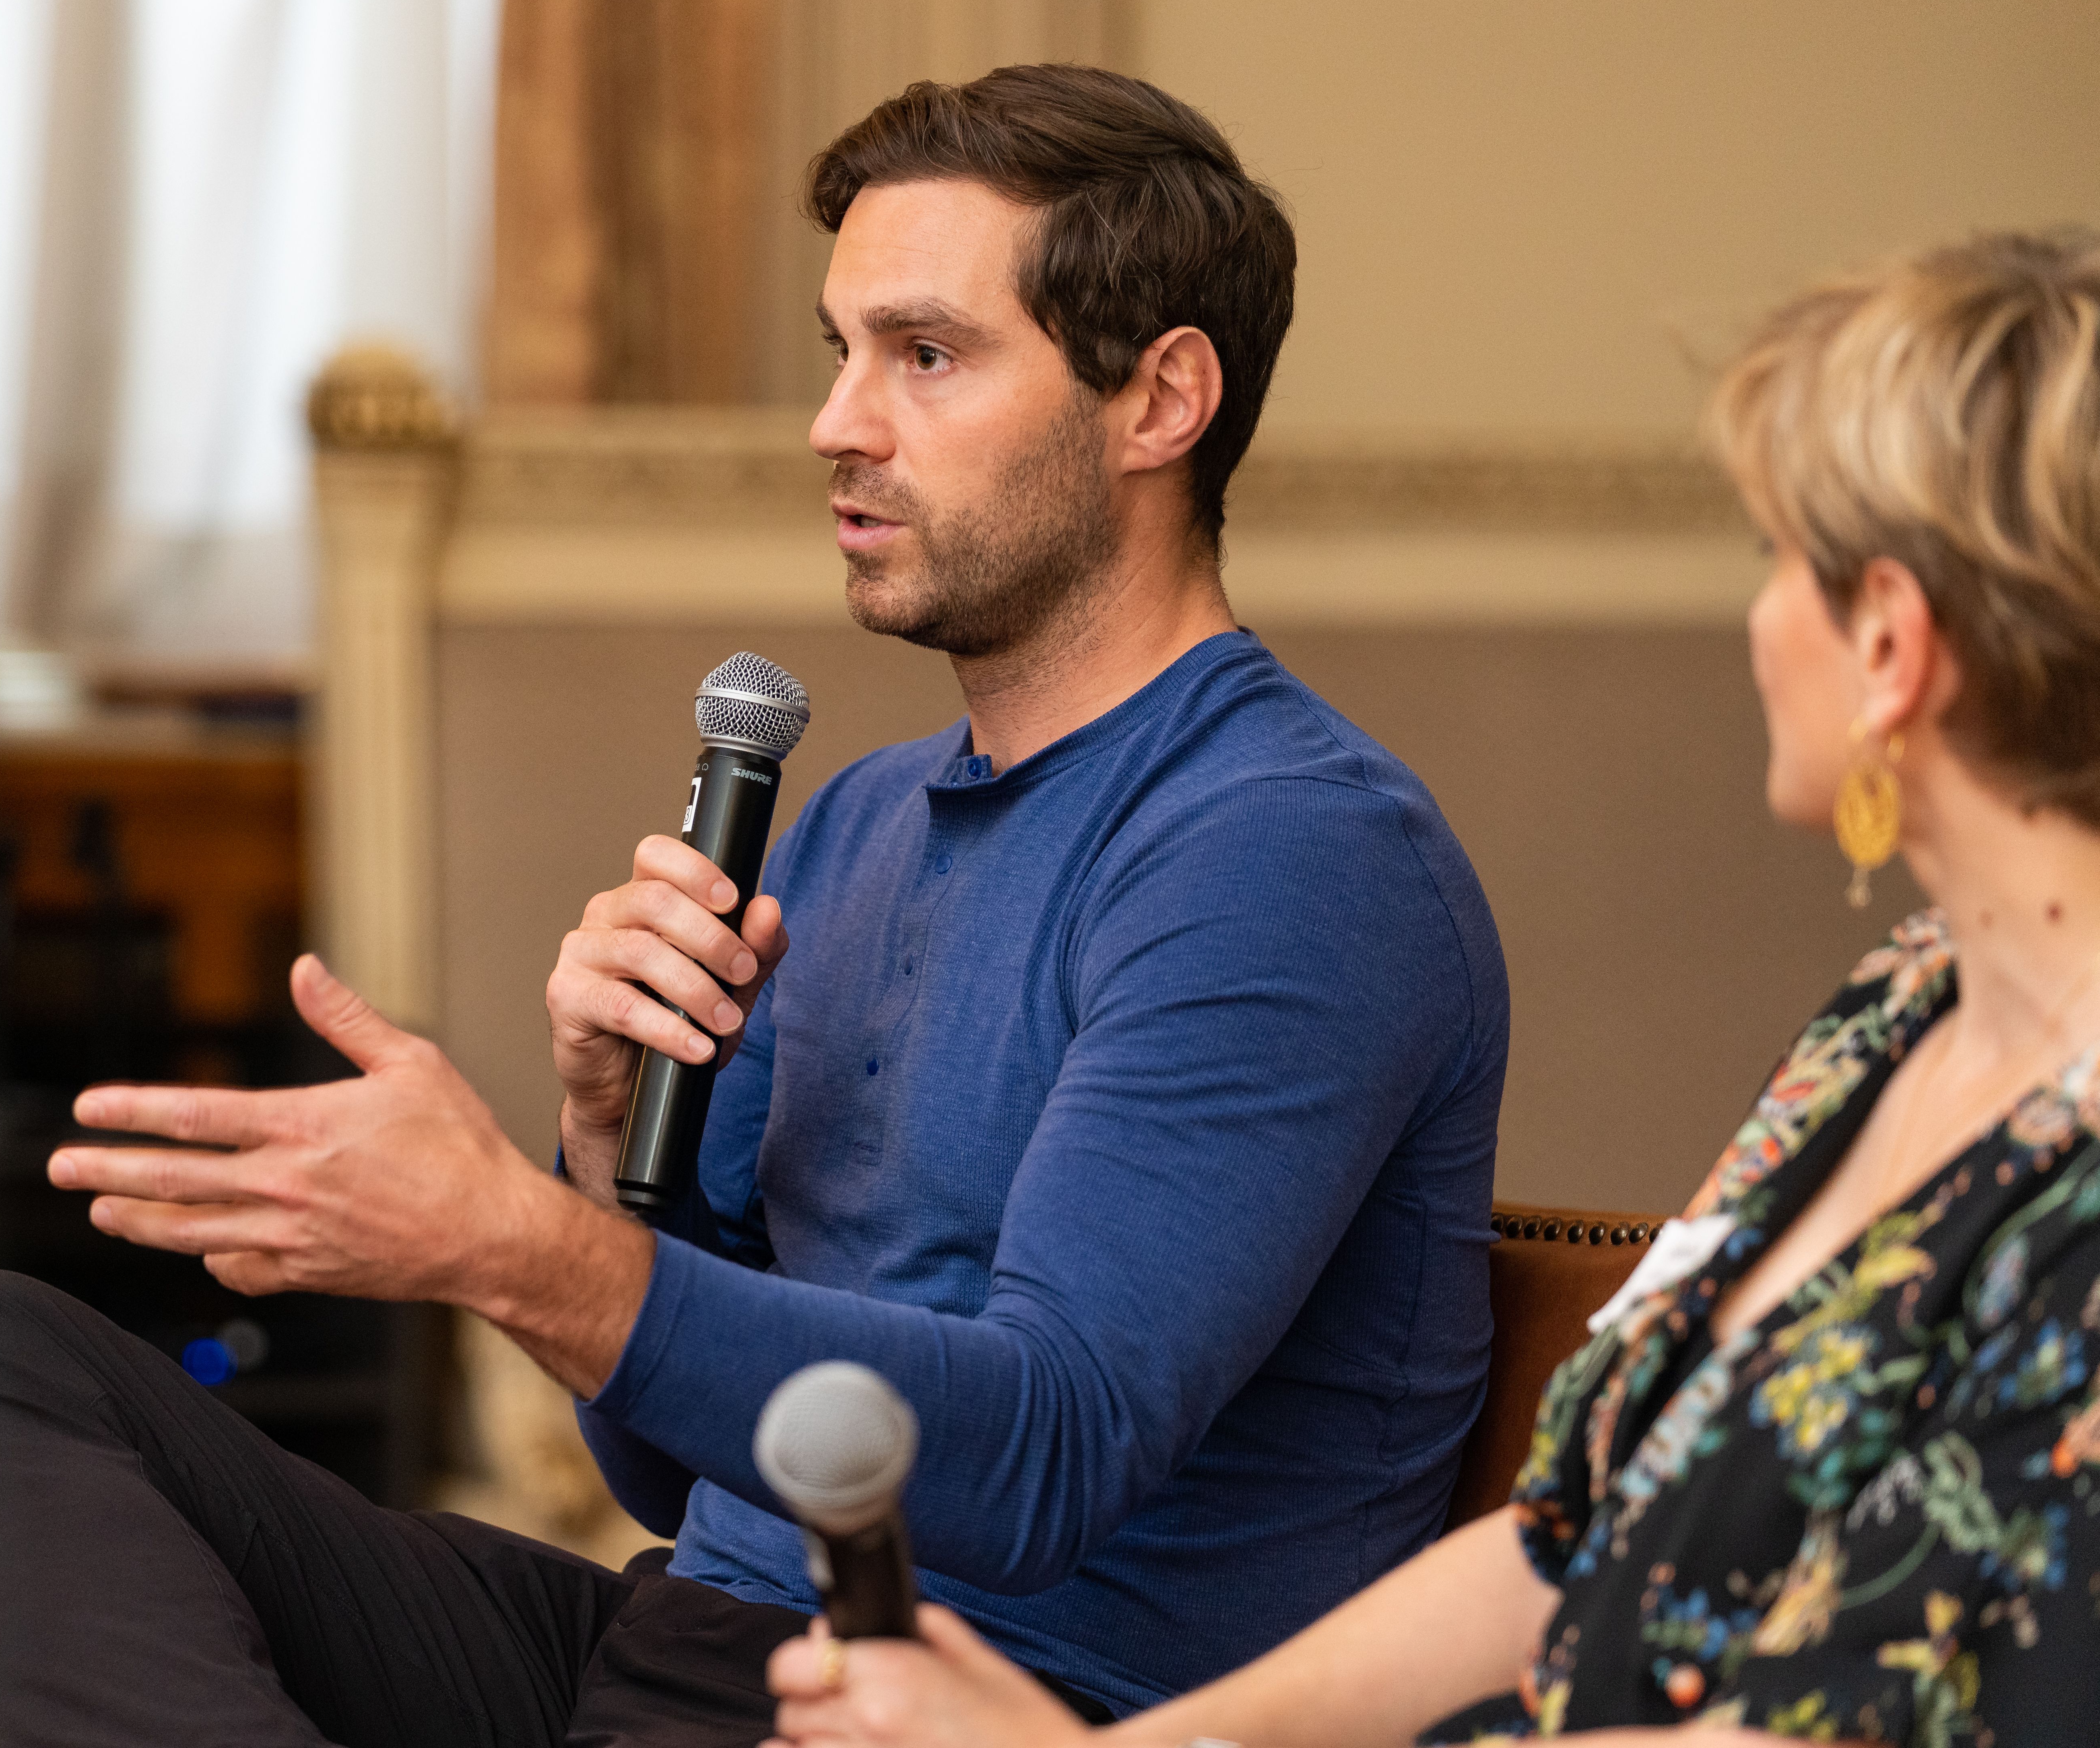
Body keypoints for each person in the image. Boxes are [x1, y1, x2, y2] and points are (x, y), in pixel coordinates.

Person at [0, 65, 1509, 1746]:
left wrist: (517, 1239)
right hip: (686, 1653)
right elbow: (658, 1469)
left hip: (980, 1707)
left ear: (1160, 402)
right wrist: (603, 1145)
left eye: (924, 355)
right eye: (840, 351)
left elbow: (1042, 1457)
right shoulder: (852, 823)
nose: (838, 424)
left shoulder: (1286, 853)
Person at [760, 228, 2100, 1748]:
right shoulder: (1894, 1014)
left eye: (1778, 559)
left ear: (1892, 647)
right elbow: (1557, 1543)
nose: (1755, 618)